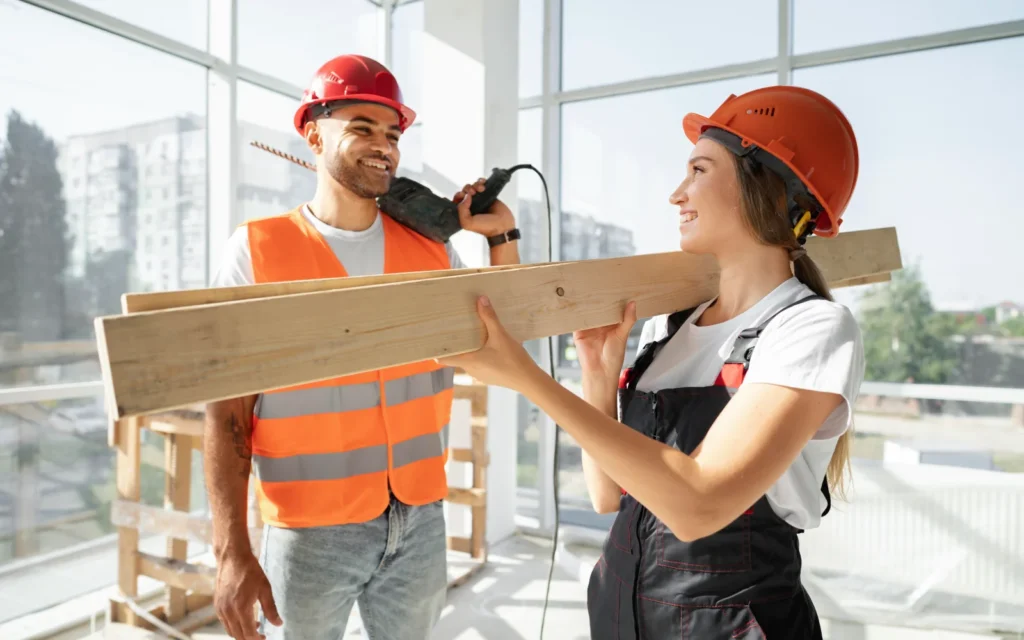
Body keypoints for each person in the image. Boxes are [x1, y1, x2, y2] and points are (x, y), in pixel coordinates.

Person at [439, 85, 865, 639]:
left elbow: (697, 504)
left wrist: (527, 379)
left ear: (765, 187)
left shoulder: (810, 330)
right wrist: (597, 378)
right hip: (624, 613)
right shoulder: (672, 325)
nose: (676, 194)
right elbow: (608, 495)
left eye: (699, 170)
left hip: (730, 625)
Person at [204, 54, 521, 640]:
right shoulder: (258, 250)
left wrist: (500, 235)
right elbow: (227, 411)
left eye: (394, 134)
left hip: (421, 518)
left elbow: (504, 346)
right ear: (312, 133)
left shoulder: (430, 252)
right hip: (310, 530)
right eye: (362, 128)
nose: (385, 147)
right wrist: (230, 551)